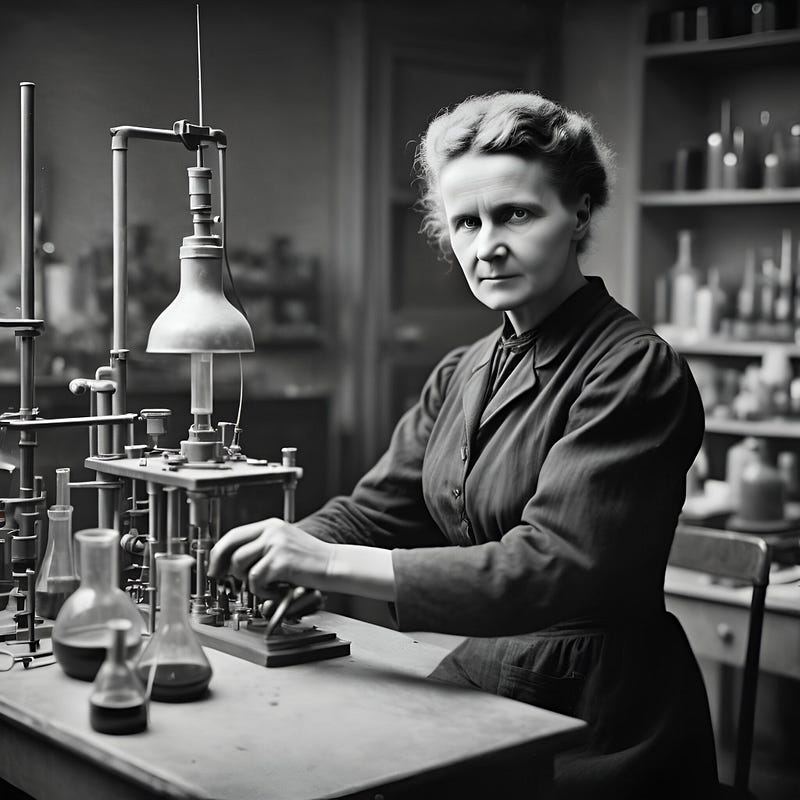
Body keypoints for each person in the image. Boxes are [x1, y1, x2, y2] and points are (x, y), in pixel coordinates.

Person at [208, 91, 719, 799]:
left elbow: (550, 566)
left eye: (515, 213)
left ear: (577, 213)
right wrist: (289, 549)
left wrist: (326, 561)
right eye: (466, 223)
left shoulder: (633, 368)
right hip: (488, 676)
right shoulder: (463, 370)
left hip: (601, 715)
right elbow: (378, 510)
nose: (487, 246)